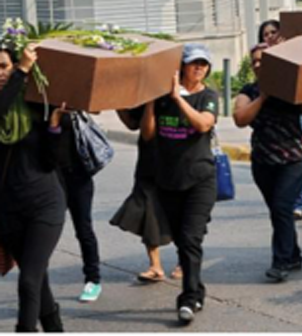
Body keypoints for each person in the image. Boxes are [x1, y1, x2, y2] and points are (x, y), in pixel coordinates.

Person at [233, 46, 302, 283]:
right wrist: (263, 96)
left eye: (263, 61)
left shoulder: (292, 86)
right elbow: (240, 119)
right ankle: (294, 254)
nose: (258, 65)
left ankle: (281, 261)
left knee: (281, 207)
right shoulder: (249, 91)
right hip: (263, 161)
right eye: (254, 62)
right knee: (279, 211)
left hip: (293, 160)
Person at [141, 44, 219, 325]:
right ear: (182, 67)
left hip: (200, 180)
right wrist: (152, 100)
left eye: (203, 64)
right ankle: (197, 290)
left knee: (190, 238)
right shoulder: (162, 98)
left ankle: (188, 299)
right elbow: (149, 134)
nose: (199, 68)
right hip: (168, 180)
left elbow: (203, 125)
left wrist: (179, 99)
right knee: (181, 241)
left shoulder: (208, 96)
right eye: (193, 63)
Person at [0, 42, 69, 332]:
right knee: (38, 283)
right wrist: (21, 71)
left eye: (3, 66)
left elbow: (51, 161)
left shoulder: (35, 103)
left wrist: (54, 127)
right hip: (8, 212)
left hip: (45, 205)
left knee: (29, 281)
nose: (0, 73)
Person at [111, 106, 180, 283]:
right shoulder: (143, 93)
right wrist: (118, 103)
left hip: (180, 160)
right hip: (149, 162)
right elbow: (133, 125)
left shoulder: (182, 91)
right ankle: (155, 265)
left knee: (181, 211)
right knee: (147, 209)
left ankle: (185, 261)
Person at [254, 21, 302, 220]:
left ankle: (298, 202)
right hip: (267, 151)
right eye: (265, 34)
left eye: (273, 32)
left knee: (298, 160)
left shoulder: (291, 62)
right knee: (279, 209)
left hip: (294, 140)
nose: (269, 36)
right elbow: (241, 117)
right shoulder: (254, 84)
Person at [56, 114, 104, 302]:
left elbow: (96, 108)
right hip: (49, 177)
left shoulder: (74, 101)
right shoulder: (37, 99)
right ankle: (35, 283)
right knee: (41, 231)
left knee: (83, 229)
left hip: (78, 176)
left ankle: (93, 279)